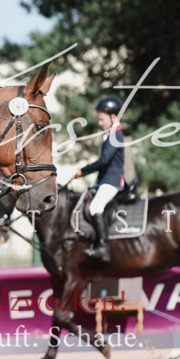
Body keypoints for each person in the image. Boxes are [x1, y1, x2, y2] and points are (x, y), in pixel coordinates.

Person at [73, 96, 126, 261]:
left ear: (113, 117)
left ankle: (103, 248)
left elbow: (104, 161)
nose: (100, 122)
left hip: (112, 181)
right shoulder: (110, 133)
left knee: (95, 207)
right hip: (105, 179)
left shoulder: (115, 135)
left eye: (102, 119)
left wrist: (84, 170)